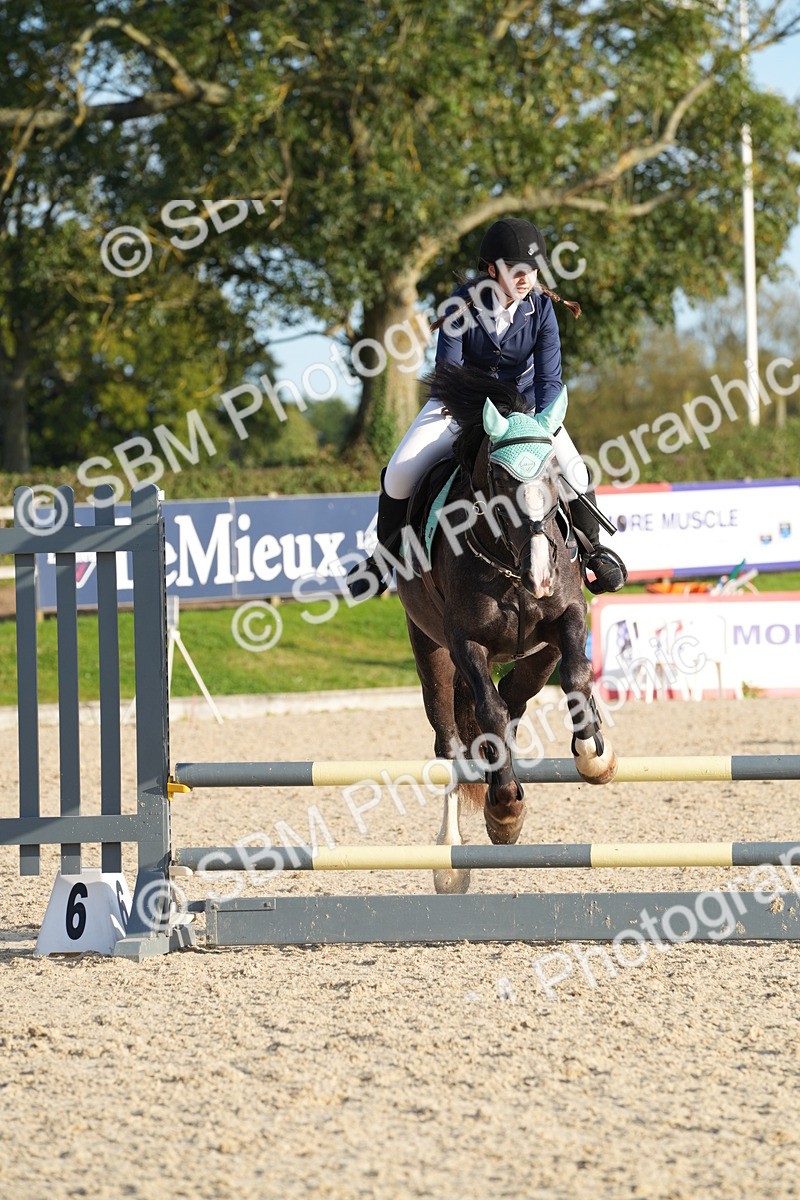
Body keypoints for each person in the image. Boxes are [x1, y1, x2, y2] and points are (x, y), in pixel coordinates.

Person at [347, 216, 627, 598]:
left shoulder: (542, 309)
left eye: (532, 268)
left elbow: (548, 380)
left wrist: (539, 426)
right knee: (399, 472)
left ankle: (595, 552)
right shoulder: (460, 303)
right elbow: (450, 371)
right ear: (493, 269)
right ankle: (383, 559)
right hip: (460, 408)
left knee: (575, 470)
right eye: (516, 269)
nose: (526, 277)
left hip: (527, 411)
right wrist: (482, 420)